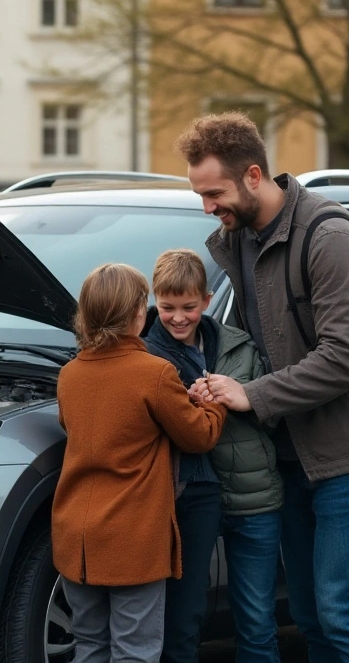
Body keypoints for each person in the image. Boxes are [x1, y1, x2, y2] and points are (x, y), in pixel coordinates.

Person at [180, 112, 349, 662]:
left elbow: (342, 359)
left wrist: (250, 395)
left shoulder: (329, 238)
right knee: (311, 617)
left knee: (344, 616)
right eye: (201, 195)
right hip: (293, 455)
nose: (207, 207)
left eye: (214, 193)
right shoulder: (241, 242)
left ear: (253, 175)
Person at [52, 262, 227, 663]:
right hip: (131, 541)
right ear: (136, 315)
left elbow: (72, 425)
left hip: (75, 538)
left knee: (91, 648)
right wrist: (212, 405)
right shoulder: (155, 372)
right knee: (135, 652)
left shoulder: (69, 375)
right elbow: (198, 436)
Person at [144, 249, 280, 663]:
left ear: (206, 301)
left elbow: (275, 419)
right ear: (154, 302)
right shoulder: (145, 357)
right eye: (167, 308)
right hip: (185, 502)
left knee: (256, 618)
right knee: (184, 614)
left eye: (188, 307)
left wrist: (242, 398)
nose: (179, 318)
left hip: (252, 499)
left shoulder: (238, 345)